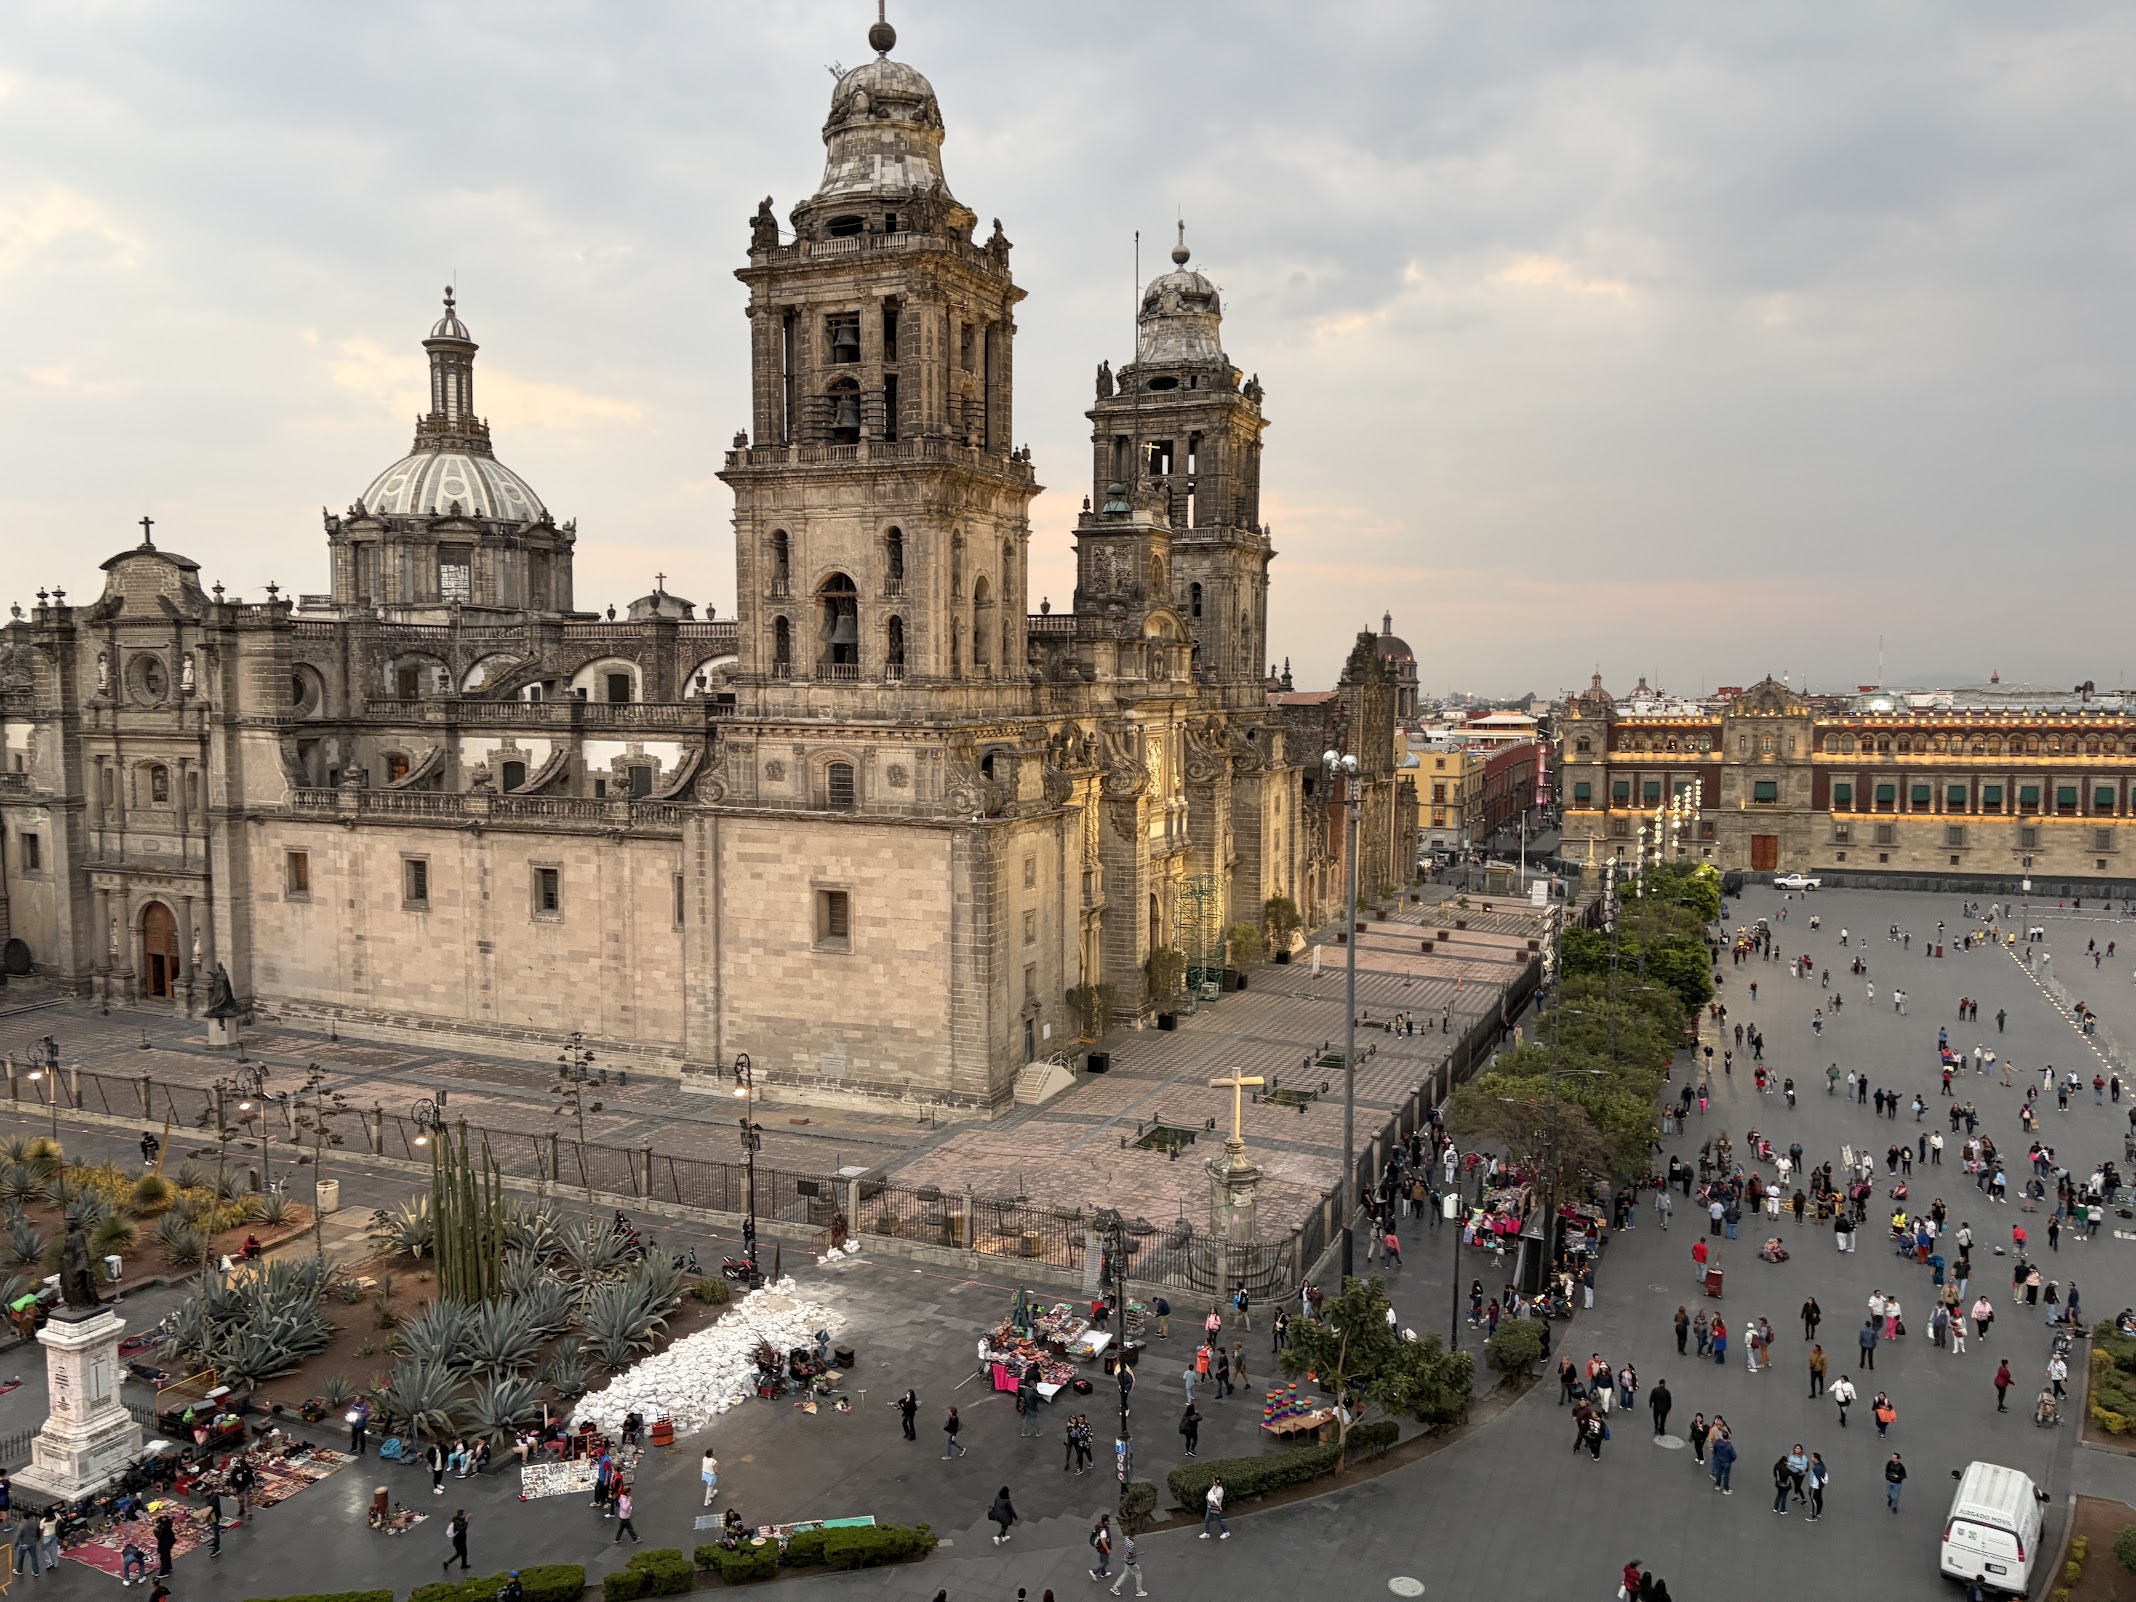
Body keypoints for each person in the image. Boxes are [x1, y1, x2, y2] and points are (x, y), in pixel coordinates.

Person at [1110, 1529, 1147, 1597]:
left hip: (1126, 1561)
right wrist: (1138, 1554)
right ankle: (1139, 1591)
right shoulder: (1132, 1545)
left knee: (1125, 1574)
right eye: (1136, 1535)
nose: (1137, 1536)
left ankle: (1115, 1587)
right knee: (1138, 1574)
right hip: (1131, 1563)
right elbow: (1129, 1556)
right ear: (1133, 1535)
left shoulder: (1126, 1539)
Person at [1088, 1512, 1113, 1581]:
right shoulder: (1104, 1531)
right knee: (1106, 1562)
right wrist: (1107, 1549)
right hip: (1103, 1548)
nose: (1110, 1521)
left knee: (1102, 1561)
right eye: (1108, 1520)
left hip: (1099, 1547)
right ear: (1105, 1521)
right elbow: (1103, 1541)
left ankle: (1103, 1573)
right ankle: (1094, 1571)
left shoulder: (1099, 1525)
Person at [1807, 1451, 1829, 1521]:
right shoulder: (1821, 1464)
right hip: (1819, 1487)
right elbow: (1824, 1474)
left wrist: (1821, 1483)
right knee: (1819, 1499)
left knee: (1814, 1500)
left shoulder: (1816, 1468)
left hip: (1815, 1486)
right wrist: (1824, 1482)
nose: (1811, 1458)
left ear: (1815, 1458)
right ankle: (1818, 1512)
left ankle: (1814, 1516)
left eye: (1812, 1457)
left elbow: (1819, 1478)